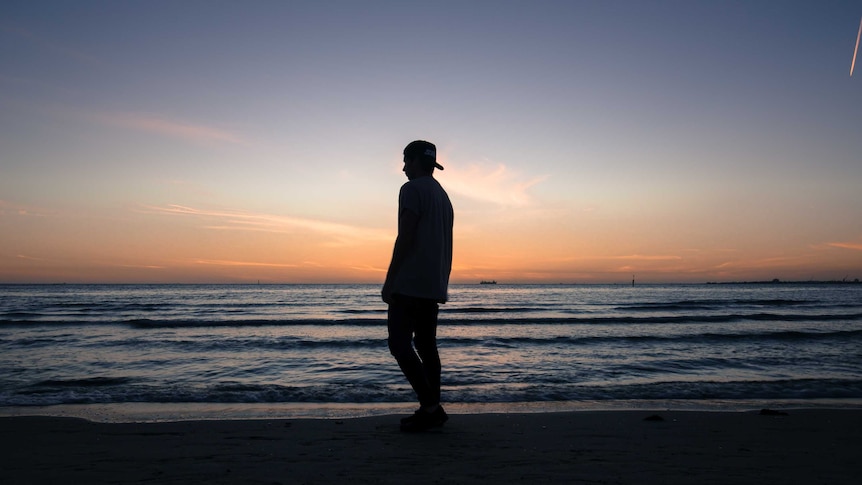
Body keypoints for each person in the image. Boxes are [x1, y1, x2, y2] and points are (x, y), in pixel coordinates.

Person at [382, 140, 454, 432]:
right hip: (433, 283)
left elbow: (406, 235)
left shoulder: (411, 190)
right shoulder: (443, 196)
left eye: (406, 162)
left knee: (399, 344)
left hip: (410, 283)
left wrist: (390, 278)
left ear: (414, 162)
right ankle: (431, 408)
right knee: (426, 346)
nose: (403, 168)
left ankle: (430, 406)